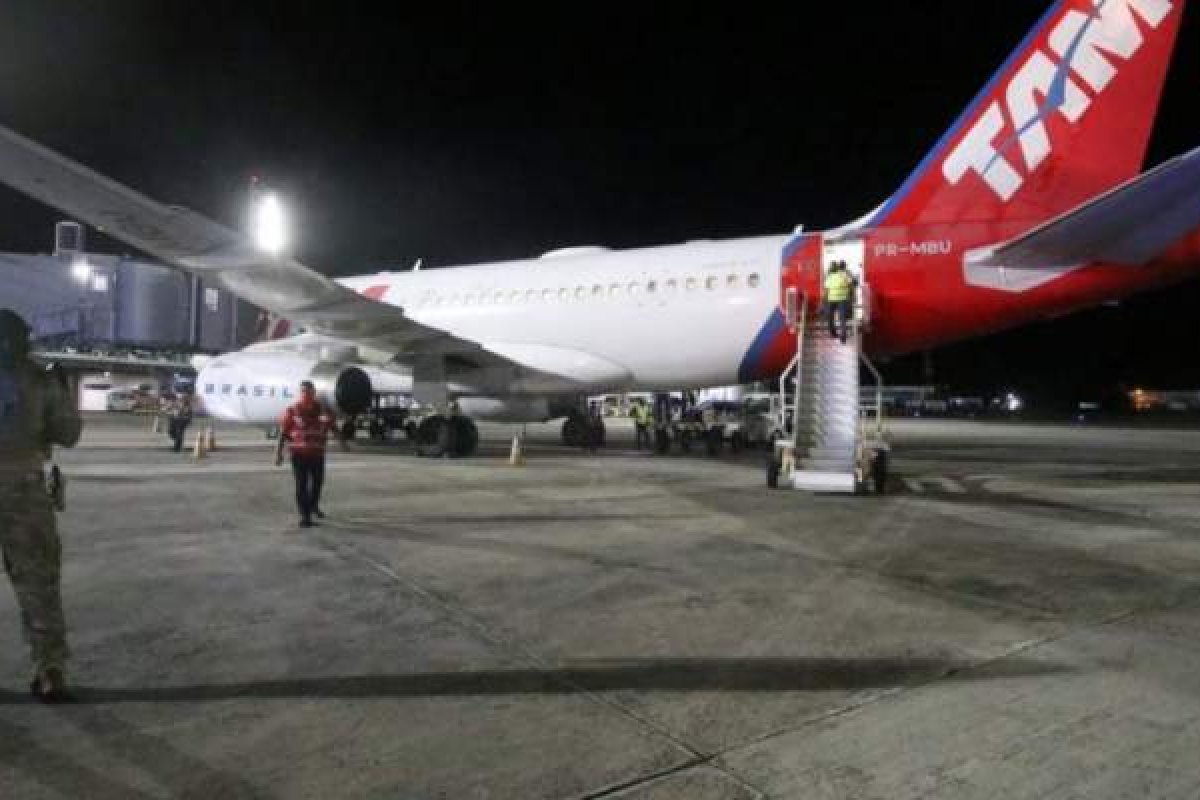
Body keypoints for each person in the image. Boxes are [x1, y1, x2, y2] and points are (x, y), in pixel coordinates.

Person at [0, 309, 82, 701]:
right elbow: (68, 434)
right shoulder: (41, 381)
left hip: (24, 486)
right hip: (23, 489)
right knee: (39, 585)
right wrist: (64, 390)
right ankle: (50, 670)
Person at [274, 380, 335, 527]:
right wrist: (278, 453)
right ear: (300, 393)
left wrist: (342, 442)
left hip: (317, 454)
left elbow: (332, 426)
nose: (306, 394)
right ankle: (305, 516)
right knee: (301, 485)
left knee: (317, 484)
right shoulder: (293, 410)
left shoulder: (322, 411)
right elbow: (283, 432)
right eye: (303, 391)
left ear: (314, 393)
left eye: (309, 391)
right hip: (299, 454)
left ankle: (313, 506)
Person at [824, 261, 857, 344]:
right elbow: (853, 283)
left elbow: (826, 289)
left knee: (830, 318)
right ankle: (843, 337)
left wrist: (824, 300)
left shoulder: (829, 276)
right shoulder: (844, 275)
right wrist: (852, 295)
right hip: (843, 299)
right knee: (842, 319)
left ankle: (833, 334)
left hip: (831, 299)